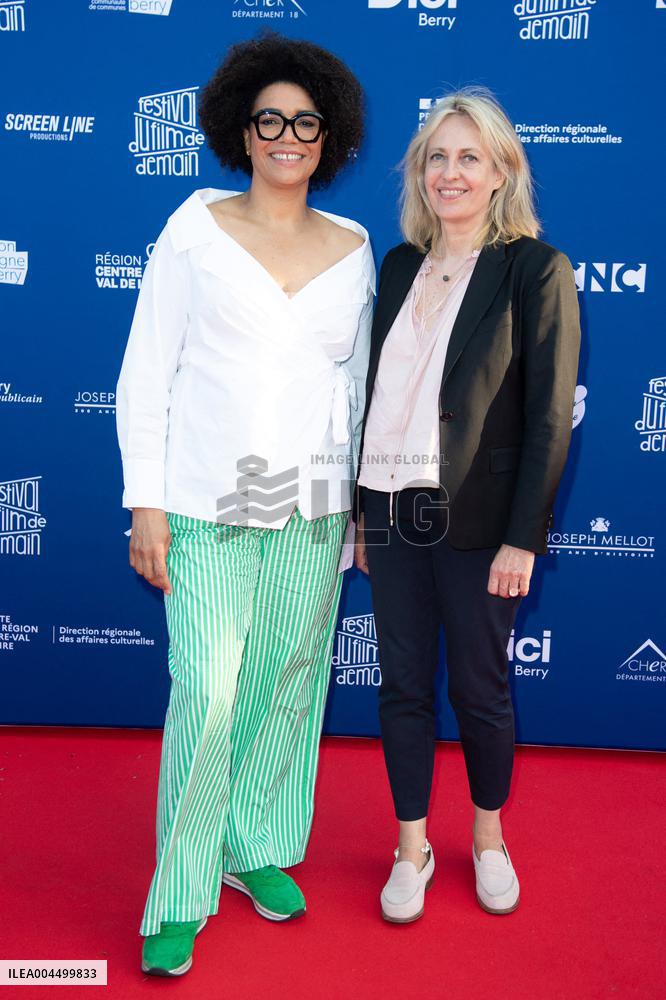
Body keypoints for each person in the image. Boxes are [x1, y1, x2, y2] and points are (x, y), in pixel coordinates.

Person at [116, 33, 374, 975]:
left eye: (305, 122)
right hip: (204, 504)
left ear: (329, 135)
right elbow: (148, 370)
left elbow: (352, 391)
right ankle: (178, 891)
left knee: (287, 689)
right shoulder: (193, 226)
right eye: (269, 119)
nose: (287, 136)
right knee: (211, 693)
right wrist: (146, 502)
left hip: (311, 506)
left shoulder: (352, 249)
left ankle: (253, 847)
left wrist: (355, 512)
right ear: (240, 127)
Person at [353, 87, 580, 922]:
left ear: (500, 172)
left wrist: (524, 538)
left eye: (468, 158)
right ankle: (410, 844)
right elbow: (373, 396)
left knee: (481, 691)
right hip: (389, 508)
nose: (450, 172)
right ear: (421, 173)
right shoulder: (400, 264)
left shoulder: (535, 269)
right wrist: (356, 512)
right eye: (437, 157)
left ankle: (487, 836)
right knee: (403, 686)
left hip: (481, 524)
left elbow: (551, 414)